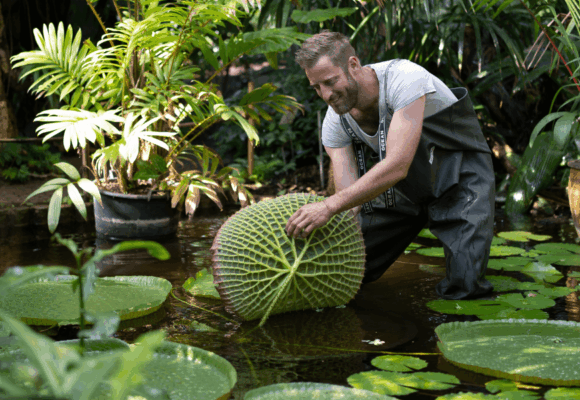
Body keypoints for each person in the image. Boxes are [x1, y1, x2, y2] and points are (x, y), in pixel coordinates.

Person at [285, 31, 495, 300]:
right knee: (348, 269)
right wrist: (316, 252)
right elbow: (348, 203)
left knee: (465, 287)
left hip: (461, 177)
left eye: (330, 81)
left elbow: (397, 164)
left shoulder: (404, 79)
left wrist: (326, 207)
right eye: (316, 87)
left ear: (353, 65)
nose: (325, 94)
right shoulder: (334, 122)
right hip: (403, 190)